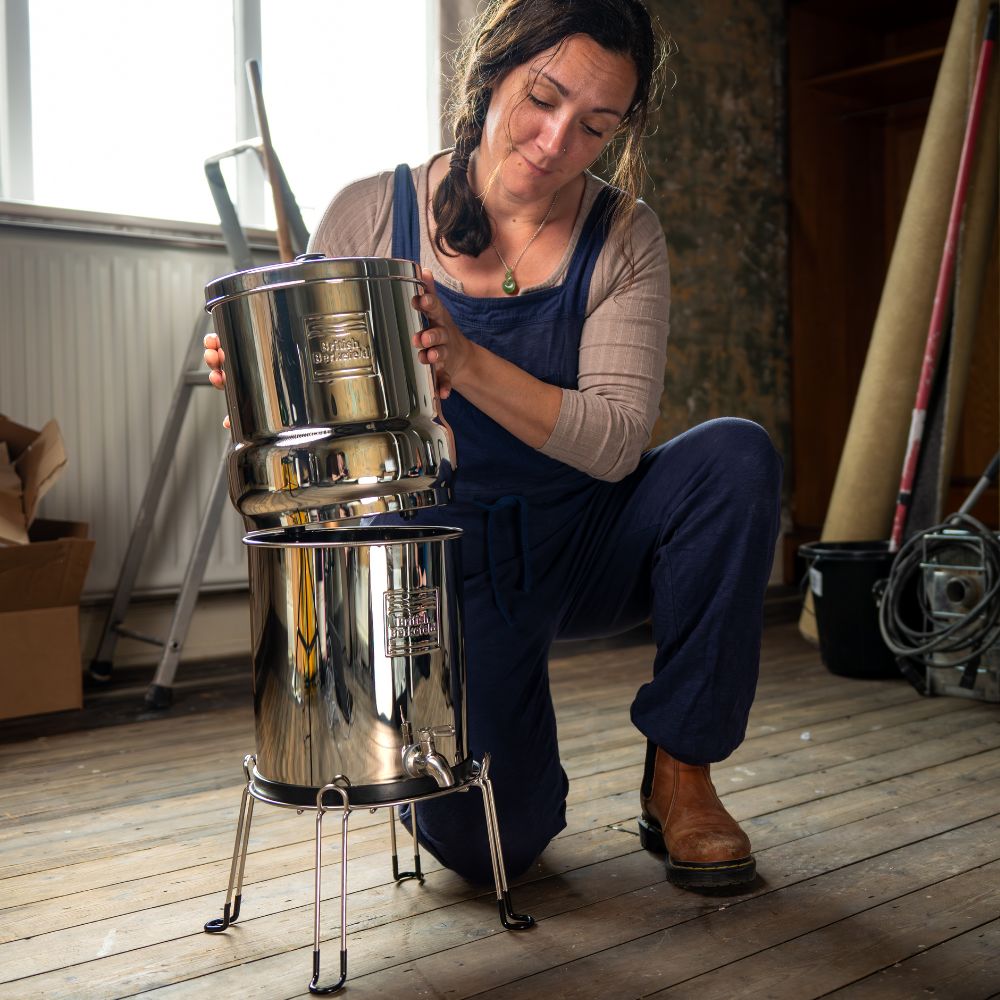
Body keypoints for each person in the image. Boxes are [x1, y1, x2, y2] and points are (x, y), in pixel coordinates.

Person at [205, 0, 782, 891]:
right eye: (542, 100)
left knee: (737, 458)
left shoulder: (626, 236)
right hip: (444, 576)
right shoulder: (370, 213)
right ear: (490, 78)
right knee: (492, 851)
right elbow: (314, 456)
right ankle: (463, 729)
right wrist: (255, 380)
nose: (556, 142)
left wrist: (468, 362)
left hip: (587, 539)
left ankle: (682, 772)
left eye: (594, 126)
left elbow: (619, 445)